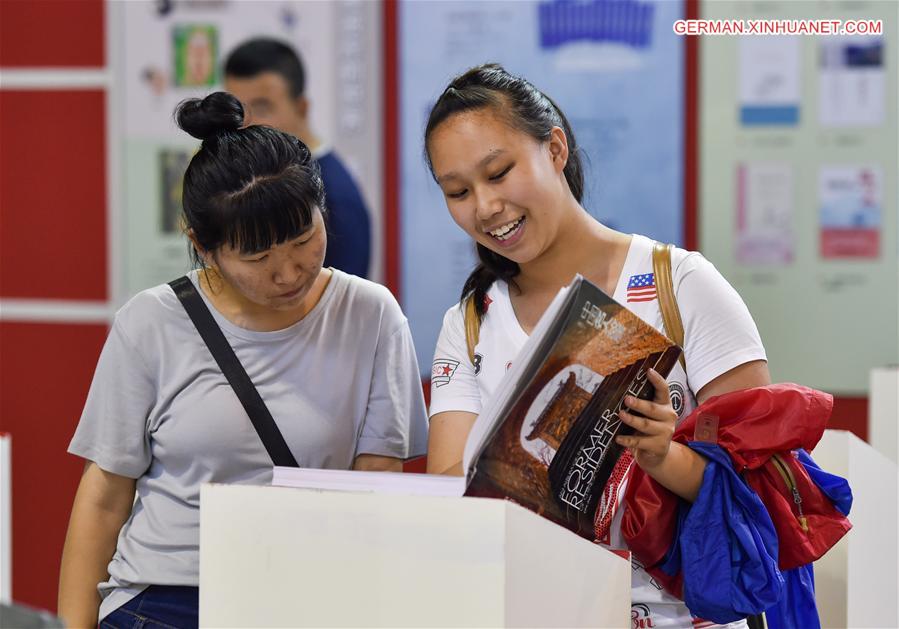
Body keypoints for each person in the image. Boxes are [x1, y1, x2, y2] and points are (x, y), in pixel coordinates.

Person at [57, 92, 427, 627]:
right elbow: (105, 494)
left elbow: (376, 481)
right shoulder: (151, 322)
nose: (289, 272)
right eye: (257, 257)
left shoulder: (370, 315)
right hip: (167, 600)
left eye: (304, 238)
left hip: (306, 595)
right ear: (202, 246)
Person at [423, 64, 770, 628]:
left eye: (499, 172)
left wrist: (664, 455)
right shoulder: (469, 323)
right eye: (458, 191)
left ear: (554, 148)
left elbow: (762, 480)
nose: (484, 207)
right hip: (534, 610)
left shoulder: (677, 284)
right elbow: (452, 496)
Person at [224, 37, 372, 278]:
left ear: (301, 108)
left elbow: (342, 308)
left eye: (262, 107)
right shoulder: (252, 176)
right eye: (236, 109)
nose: (245, 124)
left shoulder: (336, 199)